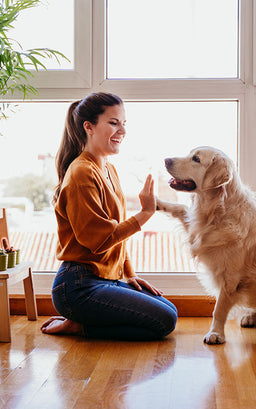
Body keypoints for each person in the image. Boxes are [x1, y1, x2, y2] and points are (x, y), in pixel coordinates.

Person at [41, 92, 177, 341]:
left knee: (170, 310)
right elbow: (99, 240)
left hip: (105, 278)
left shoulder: (108, 169)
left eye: (124, 123)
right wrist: (146, 213)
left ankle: (82, 321)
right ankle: (79, 326)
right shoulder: (81, 172)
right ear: (89, 127)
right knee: (164, 321)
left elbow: (115, 235)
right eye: (114, 123)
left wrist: (129, 274)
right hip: (77, 285)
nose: (122, 131)